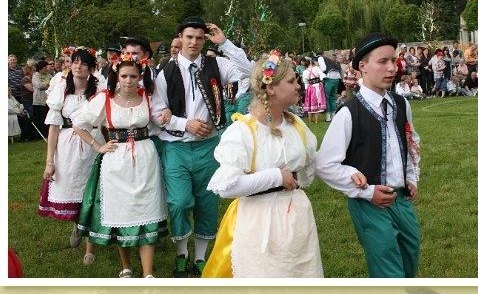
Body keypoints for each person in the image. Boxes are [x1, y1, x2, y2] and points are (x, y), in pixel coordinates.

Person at [202, 52, 322, 277]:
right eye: (292, 81)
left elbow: (313, 165)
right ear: (271, 88)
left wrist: (350, 174)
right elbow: (227, 187)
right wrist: (276, 177)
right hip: (259, 221)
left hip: (297, 218)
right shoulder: (243, 131)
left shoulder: (296, 125)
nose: (298, 86)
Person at [316, 32, 421, 278]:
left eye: (393, 60)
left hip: (401, 200)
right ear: (362, 67)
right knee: (387, 272)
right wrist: (366, 191)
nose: (391, 68)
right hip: (370, 204)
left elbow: (411, 141)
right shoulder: (349, 112)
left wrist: (411, 176)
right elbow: (325, 164)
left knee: (409, 260)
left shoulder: (400, 104)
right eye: (382, 61)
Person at [151, 16, 249, 278]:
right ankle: (182, 252)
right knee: (179, 202)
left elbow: (248, 71)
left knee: (207, 201)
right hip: (176, 146)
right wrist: (186, 124)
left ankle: (200, 257)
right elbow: (156, 111)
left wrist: (224, 43)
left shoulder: (216, 64)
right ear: (180, 38)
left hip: (209, 146)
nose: (193, 42)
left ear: (204, 40)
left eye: (198, 38)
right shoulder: (166, 71)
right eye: (189, 37)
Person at [73, 53, 168, 278]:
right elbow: (79, 124)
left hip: (145, 158)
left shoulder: (148, 97)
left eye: (133, 76)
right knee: (121, 211)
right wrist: (98, 146)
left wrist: (166, 112)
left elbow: (161, 118)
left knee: (147, 208)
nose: (128, 80)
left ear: (140, 77)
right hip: (116, 160)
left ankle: (148, 274)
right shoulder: (104, 99)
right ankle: (126, 267)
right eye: (124, 76)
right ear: (117, 76)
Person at [37, 47, 104, 266]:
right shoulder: (61, 90)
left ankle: (90, 248)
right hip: (67, 147)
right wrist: (49, 161)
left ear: (91, 69)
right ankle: (78, 225)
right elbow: (53, 128)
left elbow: (105, 122)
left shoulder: (98, 91)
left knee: (93, 193)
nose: (78, 66)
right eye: (75, 62)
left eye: (83, 64)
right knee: (73, 191)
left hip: (92, 144)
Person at [318, 52, 342, 122]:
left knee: (326, 98)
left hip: (329, 78)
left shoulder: (321, 58)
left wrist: (318, 69)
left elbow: (323, 69)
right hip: (337, 79)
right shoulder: (334, 62)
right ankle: (333, 116)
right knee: (333, 97)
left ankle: (328, 117)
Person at [302, 58, 326, 124]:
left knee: (310, 102)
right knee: (318, 101)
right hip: (318, 86)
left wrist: (306, 89)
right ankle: (316, 121)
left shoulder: (305, 71)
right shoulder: (316, 68)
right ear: (311, 63)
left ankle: (310, 120)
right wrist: (322, 79)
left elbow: (305, 81)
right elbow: (322, 75)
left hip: (310, 87)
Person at [32, 60, 52, 138]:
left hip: (48, 100)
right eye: (45, 68)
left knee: (47, 117)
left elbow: (53, 85)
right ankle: (40, 135)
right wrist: (48, 82)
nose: (46, 69)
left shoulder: (49, 75)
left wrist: (47, 85)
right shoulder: (35, 76)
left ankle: (47, 133)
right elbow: (39, 85)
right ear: (40, 69)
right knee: (40, 118)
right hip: (39, 100)